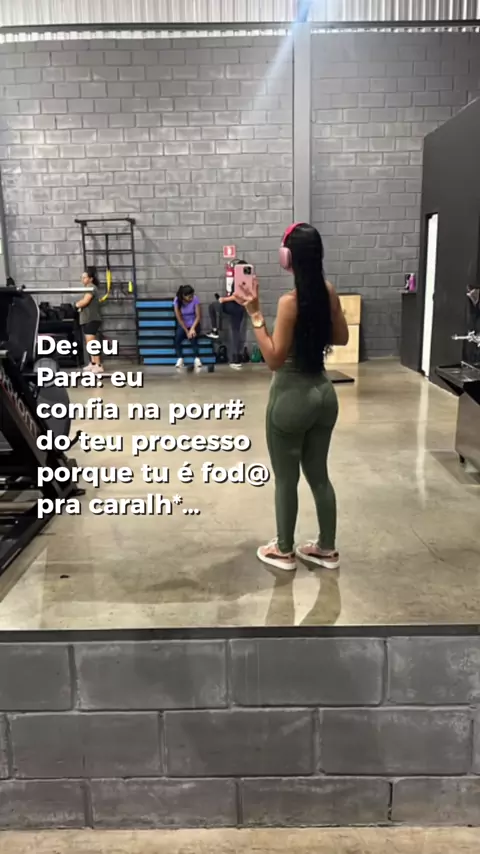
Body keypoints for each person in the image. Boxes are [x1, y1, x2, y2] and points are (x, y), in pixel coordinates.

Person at [235, 223, 349, 572]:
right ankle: (326, 548)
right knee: (319, 475)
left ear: (287, 258)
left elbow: (273, 358)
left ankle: (283, 549)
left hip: (290, 398)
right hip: (324, 395)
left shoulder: (289, 303)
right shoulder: (328, 291)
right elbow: (342, 337)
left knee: (286, 478)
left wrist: (255, 314)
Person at [207, 292, 246, 371]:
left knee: (212, 306)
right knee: (236, 331)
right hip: (240, 307)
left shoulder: (237, 283)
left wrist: (223, 299)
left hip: (234, 305)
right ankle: (236, 359)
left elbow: (236, 296)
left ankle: (215, 330)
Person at [76, 266, 103, 374]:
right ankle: (93, 363)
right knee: (89, 343)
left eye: (85, 277)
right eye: (82, 278)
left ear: (91, 279)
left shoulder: (91, 288)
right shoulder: (88, 288)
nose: (82, 280)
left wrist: (77, 304)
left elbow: (85, 301)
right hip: (87, 319)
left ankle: (98, 365)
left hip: (92, 319)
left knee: (92, 343)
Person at [173, 284, 202, 372]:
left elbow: (198, 316)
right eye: (189, 297)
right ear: (183, 296)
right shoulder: (177, 301)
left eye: (192, 296)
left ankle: (197, 358)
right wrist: (186, 331)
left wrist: (192, 329)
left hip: (194, 323)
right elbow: (179, 318)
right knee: (177, 338)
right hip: (183, 324)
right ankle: (180, 358)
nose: (191, 298)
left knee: (193, 337)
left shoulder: (195, 299)